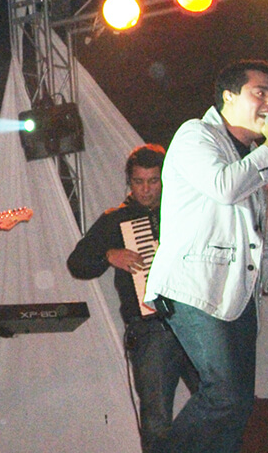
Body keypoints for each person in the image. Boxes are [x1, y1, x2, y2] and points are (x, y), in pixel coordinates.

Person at [144, 60, 268, 453]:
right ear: (229, 97)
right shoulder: (196, 135)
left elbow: (260, 237)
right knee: (224, 396)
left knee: (238, 405)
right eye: (260, 92)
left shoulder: (252, 157)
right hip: (195, 288)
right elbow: (224, 187)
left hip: (236, 295)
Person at [67, 144, 199, 453]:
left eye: (153, 181)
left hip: (195, 323)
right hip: (150, 329)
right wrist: (108, 255)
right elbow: (77, 263)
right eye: (139, 182)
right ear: (129, 181)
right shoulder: (116, 220)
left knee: (219, 400)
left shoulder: (184, 210)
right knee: (155, 418)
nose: (146, 189)